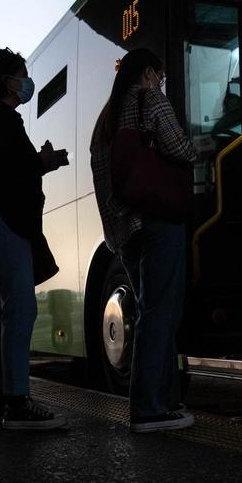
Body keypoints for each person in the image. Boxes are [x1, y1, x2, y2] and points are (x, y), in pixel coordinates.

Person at [0, 48, 69, 430]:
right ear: (7, 82)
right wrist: (43, 162)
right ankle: (18, 402)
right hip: (6, 223)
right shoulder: (1, 121)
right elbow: (13, 173)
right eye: (22, 74)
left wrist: (38, 163)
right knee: (21, 309)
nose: (26, 81)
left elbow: (2, 169)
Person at [90, 48, 197, 434]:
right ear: (149, 72)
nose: (160, 83)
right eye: (160, 76)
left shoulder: (105, 118)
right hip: (159, 217)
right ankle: (150, 408)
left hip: (125, 228)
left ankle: (165, 403)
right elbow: (180, 148)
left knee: (151, 310)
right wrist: (194, 149)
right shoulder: (150, 99)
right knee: (161, 313)